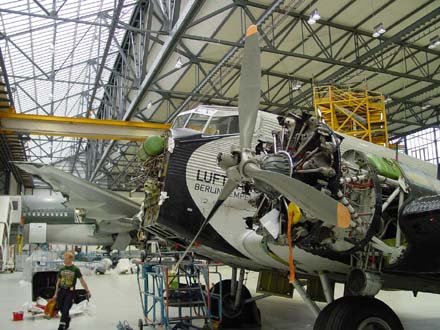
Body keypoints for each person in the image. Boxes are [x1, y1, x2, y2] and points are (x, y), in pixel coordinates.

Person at [53, 251, 91, 330]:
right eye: (64, 258)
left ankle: (61, 325)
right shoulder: (62, 269)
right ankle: (67, 319)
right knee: (60, 307)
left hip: (70, 292)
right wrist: (55, 293)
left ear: (70, 259)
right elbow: (58, 282)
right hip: (61, 291)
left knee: (66, 308)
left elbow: (82, 281)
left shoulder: (75, 269)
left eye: (66, 258)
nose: (64, 260)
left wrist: (87, 290)